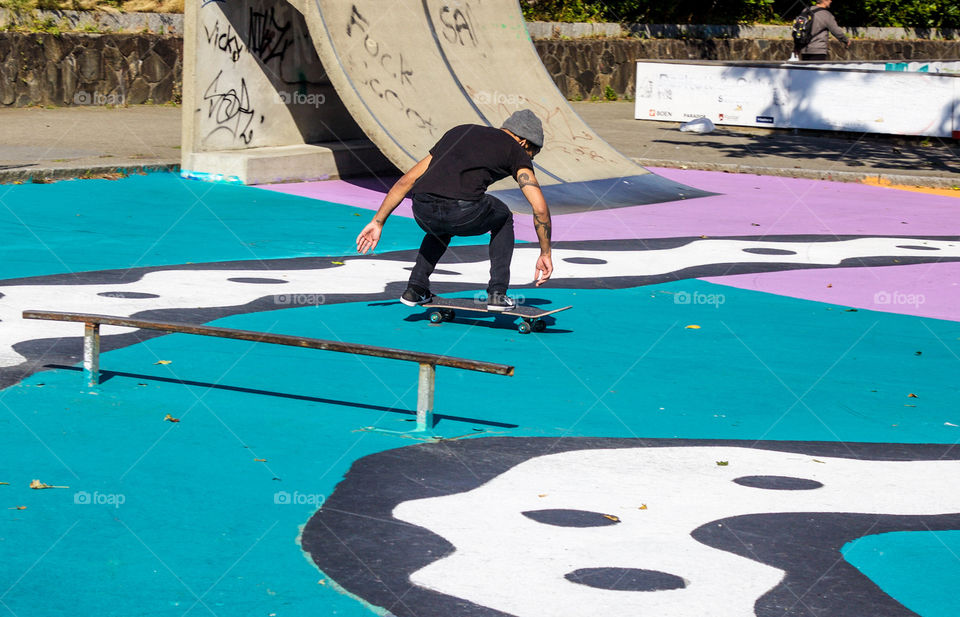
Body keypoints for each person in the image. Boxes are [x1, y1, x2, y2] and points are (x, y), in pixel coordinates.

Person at [355, 109, 553, 311]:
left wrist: (378, 221)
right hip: (463, 212)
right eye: (532, 154)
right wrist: (545, 253)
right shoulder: (516, 150)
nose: (531, 160)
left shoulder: (459, 132)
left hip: (422, 208)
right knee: (503, 217)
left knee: (441, 225)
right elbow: (540, 209)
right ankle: (497, 294)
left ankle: (416, 288)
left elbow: (406, 181)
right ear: (524, 142)